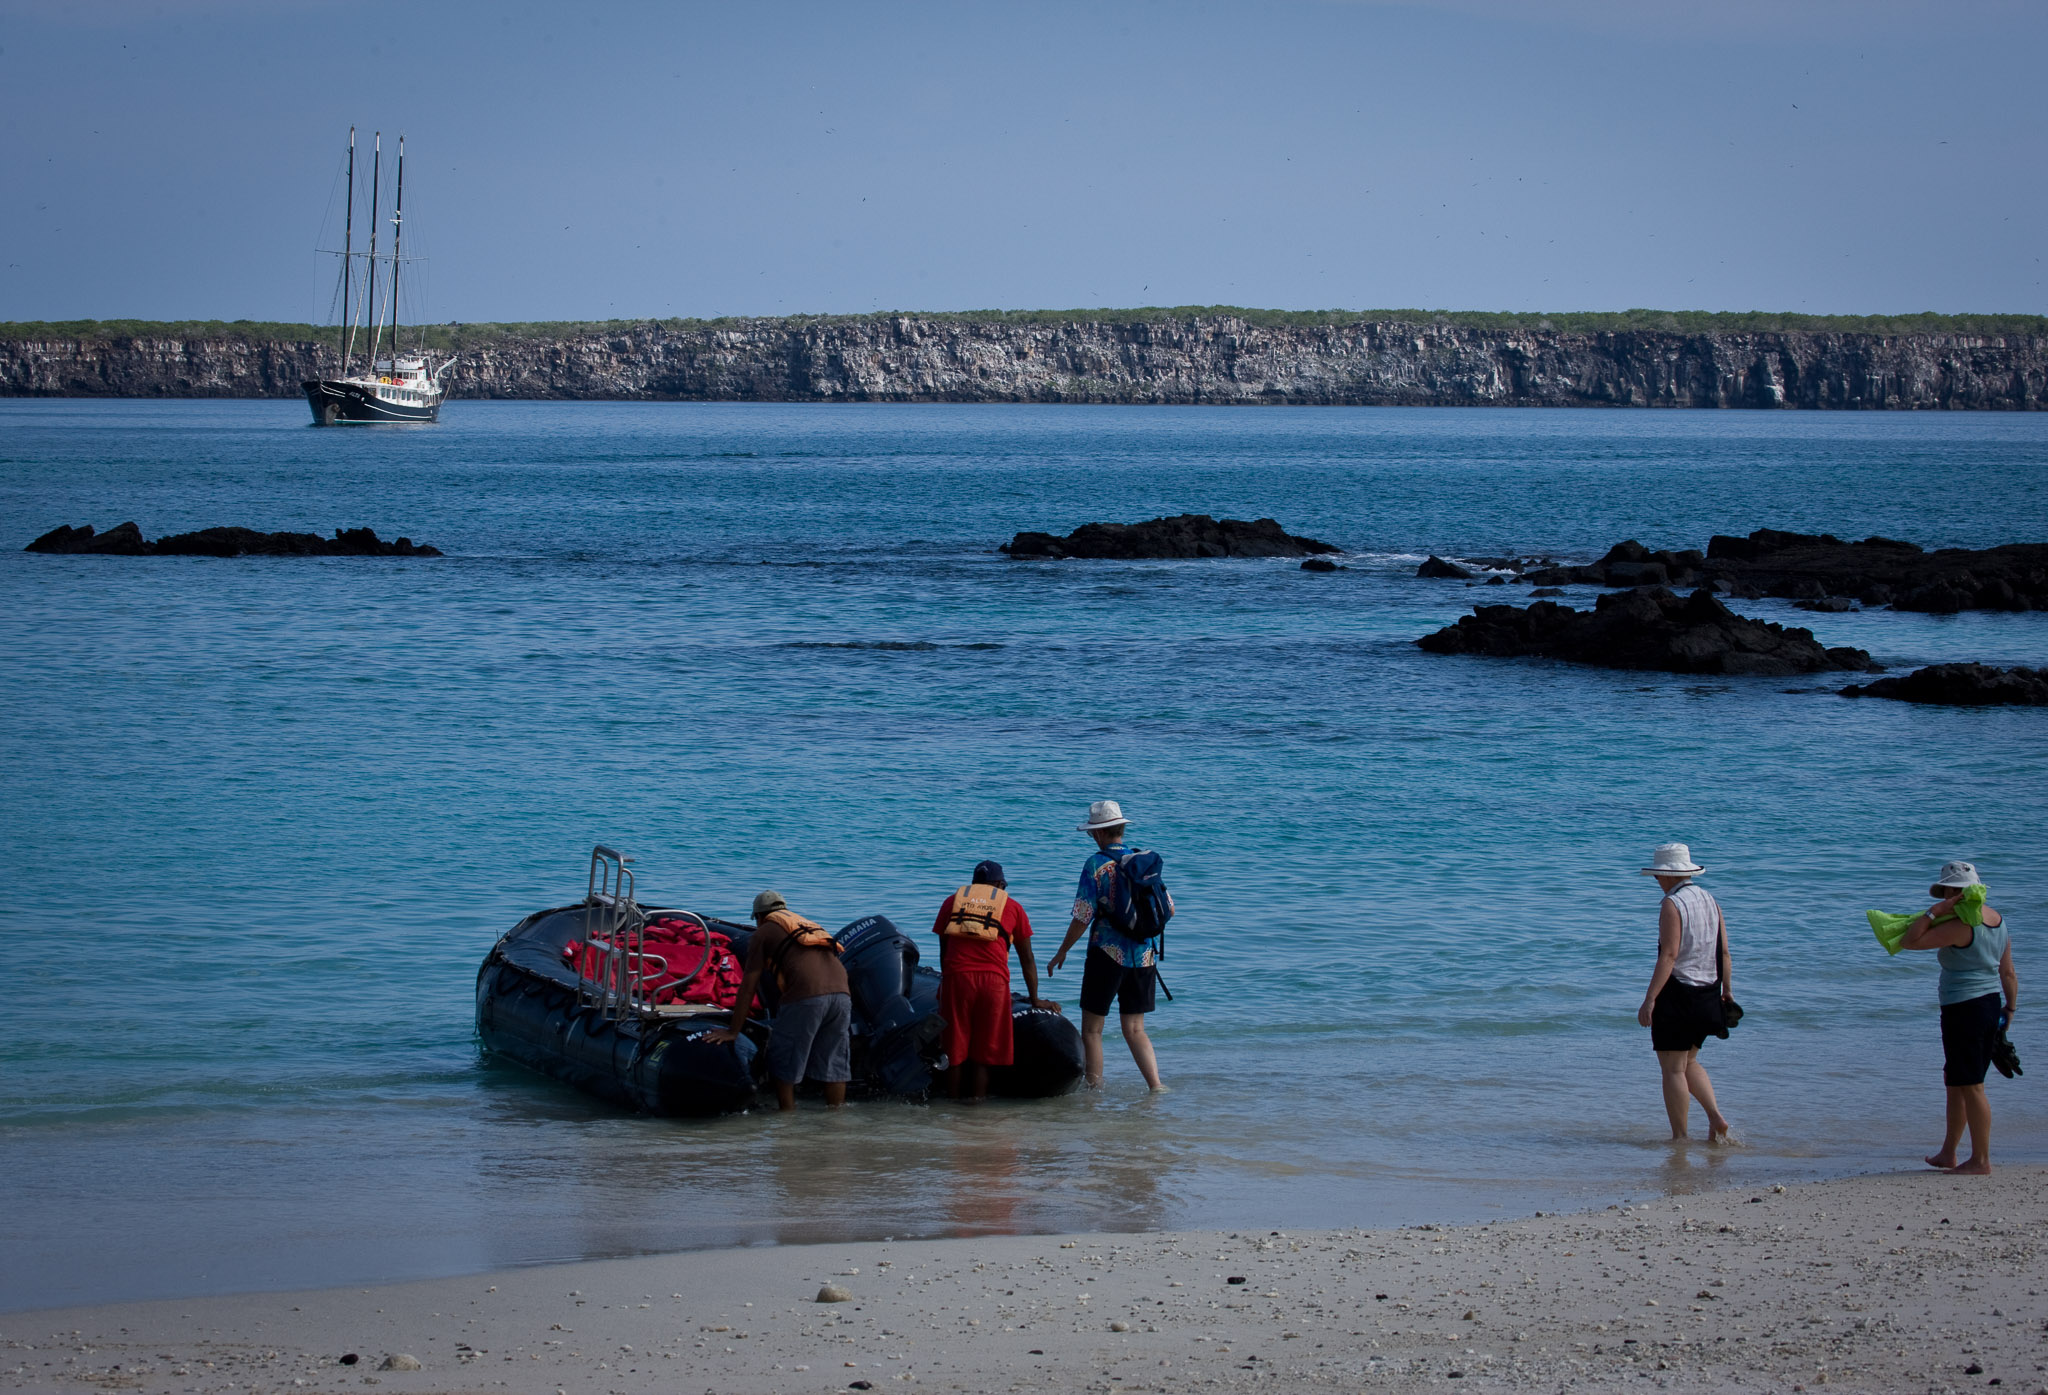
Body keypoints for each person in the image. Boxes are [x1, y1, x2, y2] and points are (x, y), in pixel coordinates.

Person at [1897, 860, 2017, 1175]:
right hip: (1988, 1004)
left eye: (1948, 891)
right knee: (1956, 1080)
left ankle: (1980, 1160)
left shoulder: (1959, 925)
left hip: (1966, 1009)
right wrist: (2010, 1008)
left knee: (1972, 1085)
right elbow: (2008, 973)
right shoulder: (1997, 920)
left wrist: (1933, 912)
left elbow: (1910, 941)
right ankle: (1949, 1152)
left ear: (1953, 892)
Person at [1047, 799, 1167, 1090]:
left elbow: (1083, 915)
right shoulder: (1142, 861)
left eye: (1092, 833)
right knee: (1136, 1029)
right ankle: (1156, 1086)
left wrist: (1062, 951)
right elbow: (1170, 909)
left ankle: (1094, 1092)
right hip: (1144, 955)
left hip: (1107, 954)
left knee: (1092, 1029)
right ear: (1121, 829)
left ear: (1099, 833)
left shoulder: (1096, 865)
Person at [707, 890, 852, 1111]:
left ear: (759, 917)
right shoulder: (806, 924)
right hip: (842, 995)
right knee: (833, 1064)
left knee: (783, 1058)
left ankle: (786, 1118)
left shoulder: (764, 932)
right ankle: (836, 1117)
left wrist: (733, 1032)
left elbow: (748, 986)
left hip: (808, 996)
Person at [928, 858, 1053, 1101]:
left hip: (958, 978)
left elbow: (945, 951)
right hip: (994, 982)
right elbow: (1027, 959)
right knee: (984, 1051)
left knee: (953, 1048)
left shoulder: (951, 903)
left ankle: (953, 1105)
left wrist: (946, 985)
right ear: (998, 885)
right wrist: (1035, 999)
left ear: (974, 884)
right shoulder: (1013, 907)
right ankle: (977, 1105)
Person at [1635, 843, 1734, 1143]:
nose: (1656, 880)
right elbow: (1725, 952)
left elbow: (1669, 955)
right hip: (1708, 994)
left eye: (1657, 875)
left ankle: (1680, 1139)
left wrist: (1649, 999)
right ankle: (1716, 1118)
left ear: (1667, 876)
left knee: (1673, 1070)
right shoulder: (1710, 900)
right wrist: (1726, 991)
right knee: (1690, 1062)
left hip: (1678, 996)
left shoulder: (1672, 904)